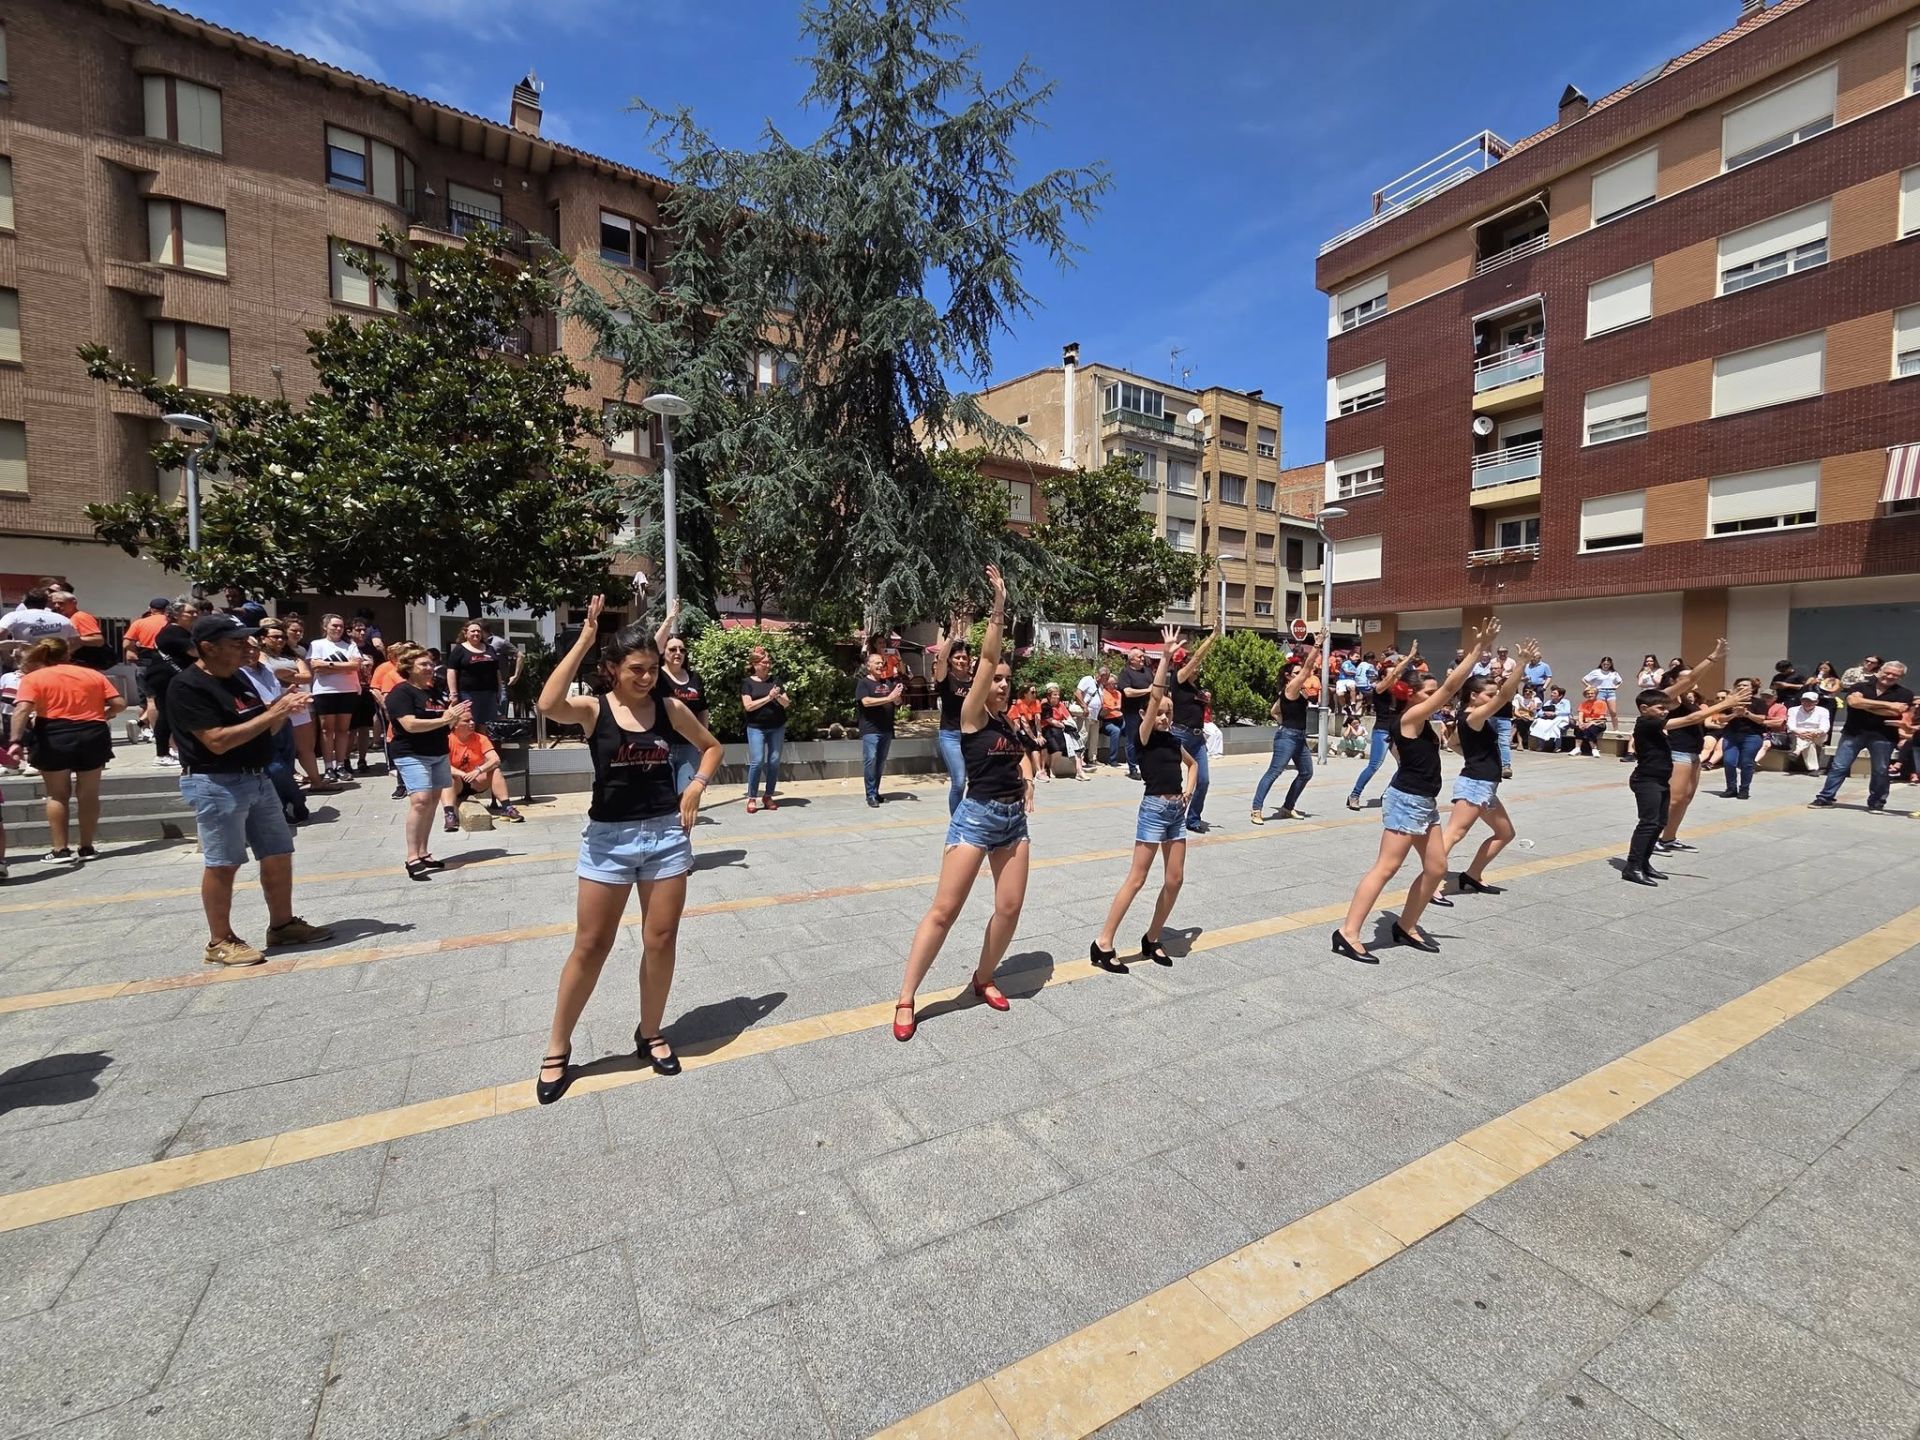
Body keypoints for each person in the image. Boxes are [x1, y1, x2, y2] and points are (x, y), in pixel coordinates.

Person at [533, 596, 724, 1103]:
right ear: (613, 670)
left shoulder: (668, 708)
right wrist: (584, 641)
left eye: (653, 668)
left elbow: (712, 746)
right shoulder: (595, 710)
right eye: (637, 669)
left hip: (665, 836)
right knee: (591, 945)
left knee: (660, 939)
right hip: (608, 840)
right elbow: (547, 706)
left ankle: (651, 1030)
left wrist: (697, 786)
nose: (647, 677)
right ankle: (557, 1045)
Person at [893, 566, 1027, 1042]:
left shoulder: (1008, 724)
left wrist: (1028, 782)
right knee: (944, 911)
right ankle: (908, 995)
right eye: (997, 680)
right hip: (977, 818)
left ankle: (983, 977)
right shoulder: (971, 715)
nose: (1003, 684)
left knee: (1009, 909)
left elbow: (1020, 761)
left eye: (1008, 680)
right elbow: (987, 658)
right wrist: (997, 608)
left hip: (1014, 822)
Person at [166, 614, 333, 966]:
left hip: (257, 778)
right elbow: (217, 741)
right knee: (224, 862)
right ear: (208, 648)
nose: (247, 648)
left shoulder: (240, 678)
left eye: (247, 642)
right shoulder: (188, 686)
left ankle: (283, 925)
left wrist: (281, 711)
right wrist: (275, 713)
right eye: (236, 643)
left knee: (277, 852)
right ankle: (219, 940)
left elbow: (262, 729)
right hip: (217, 781)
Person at [1331, 620, 1497, 963]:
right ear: (1412, 696)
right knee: (1385, 868)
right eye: (1427, 692)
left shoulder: (1418, 722)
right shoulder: (1407, 720)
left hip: (1424, 803)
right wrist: (1478, 651)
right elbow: (1450, 688)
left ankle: (1406, 925)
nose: (1434, 696)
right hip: (1406, 802)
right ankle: (1347, 933)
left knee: (1436, 868)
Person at [1090, 625, 1196, 973]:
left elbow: (1192, 765)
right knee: (1136, 879)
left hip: (1175, 814)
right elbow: (1153, 698)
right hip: (1153, 810)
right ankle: (1103, 942)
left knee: (1175, 879)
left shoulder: (1171, 740)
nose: (1164, 716)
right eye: (1160, 712)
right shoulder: (1145, 735)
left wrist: (1190, 791)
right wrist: (1164, 658)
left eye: (1168, 712)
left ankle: (1152, 938)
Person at [1433, 639, 1537, 903]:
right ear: (1473, 696)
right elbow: (1505, 696)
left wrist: (1476, 757)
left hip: (1486, 786)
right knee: (1453, 834)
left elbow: (1455, 743)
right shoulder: (1474, 716)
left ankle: (1473, 875)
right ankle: (1430, 884)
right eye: (1488, 695)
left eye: (1492, 695)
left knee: (1505, 833)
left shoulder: (1467, 717)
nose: (1493, 699)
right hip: (1475, 785)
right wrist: (1522, 662)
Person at [1622, 681, 1752, 886]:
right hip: (1647, 781)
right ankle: (1632, 867)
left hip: (1660, 780)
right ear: (1644, 709)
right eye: (1660, 708)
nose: (1665, 712)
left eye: (1666, 708)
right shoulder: (1646, 722)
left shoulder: (1655, 723)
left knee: (1659, 823)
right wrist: (1726, 702)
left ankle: (1644, 863)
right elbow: (1693, 718)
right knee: (1648, 823)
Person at [8, 638, 125, 863]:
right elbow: (119, 703)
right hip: (93, 732)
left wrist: (15, 740)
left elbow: (22, 709)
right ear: (67, 653)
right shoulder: (92, 674)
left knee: (57, 794)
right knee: (89, 793)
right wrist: (105, 715)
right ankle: (87, 847)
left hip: (54, 733)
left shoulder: (33, 678)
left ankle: (60, 849)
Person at [385, 650, 471, 878]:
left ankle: (423, 852)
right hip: (411, 753)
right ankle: (412, 857)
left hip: (438, 752)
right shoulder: (400, 693)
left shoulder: (435, 691)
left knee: (433, 801)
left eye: (431, 664)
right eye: (423, 664)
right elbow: (410, 725)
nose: (429, 668)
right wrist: (445, 719)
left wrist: (455, 717)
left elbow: (445, 721)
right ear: (409, 667)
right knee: (420, 800)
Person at [1811, 659, 1912, 813]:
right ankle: (1825, 798)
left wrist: (1865, 704)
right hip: (1854, 732)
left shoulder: (1905, 693)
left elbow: (1895, 712)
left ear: (1900, 677)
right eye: (1887, 672)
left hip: (1883, 736)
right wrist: (1889, 705)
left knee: (1880, 770)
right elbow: (1853, 702)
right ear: (1880, 671)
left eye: (1895, 675)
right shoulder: (1860, 686)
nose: (1890, 676)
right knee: (1839, 766)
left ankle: (1876, 802)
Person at [239, 635, 309, 827]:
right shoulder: (238, 674)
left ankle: (286, 806)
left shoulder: (268, 668)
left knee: (286, 764)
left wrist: (288, 695)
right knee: (276, 768)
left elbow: (275, 694)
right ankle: (298, 799)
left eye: (254, 648)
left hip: (283, 720)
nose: (251, 652)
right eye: (245, 649)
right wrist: (280, 703)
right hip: (262, 722)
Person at [1251, 633, 1320, 823]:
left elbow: (1274, 710)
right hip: (1287, 737)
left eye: (1300, 674)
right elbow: (1307, 669)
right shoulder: (1290, 689)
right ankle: (1256, 809)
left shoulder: (1294, 692)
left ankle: (1288, 807)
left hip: (1298, 737)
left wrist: (1282, 720)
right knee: (1274, 771)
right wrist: (1317, 646)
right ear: (1289, 676)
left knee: (1306, 772)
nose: (1301, 677)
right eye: (1296, 674)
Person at [256, 620, 326, 796]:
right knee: (280, 748)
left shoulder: (293, 656)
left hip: (300, 704)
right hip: (274, 705)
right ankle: (286, 786)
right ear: (263, 639)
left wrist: (284, 675)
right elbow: (272, 675)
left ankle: (316, 782)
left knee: (306, 747)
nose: (280, 640)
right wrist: (293, 675)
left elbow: (307, 677)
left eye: (282, 637)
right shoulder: (259, 656)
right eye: (275, 637)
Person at [1347, 645, 1417, 810]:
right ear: (1384, 676)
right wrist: (1408, 658)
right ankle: (1354, 795)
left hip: (1397, 732)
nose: (1397, 676)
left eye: (1398, 675)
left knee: (1405, 765)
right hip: (1382, 730)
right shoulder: (1379, 689)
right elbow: (1392, 674)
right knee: (1374, 765)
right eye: (1393, 674)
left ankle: (1388, 793)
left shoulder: (1399, 693)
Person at [653, 601, 708, 794]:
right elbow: (652, 648)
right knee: (666, 797)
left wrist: (704, 741)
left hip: (689, 746)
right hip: (663, 744)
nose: (678, 653)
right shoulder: (657, 676)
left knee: (685, 795)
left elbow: (702, 710)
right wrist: (669, 620)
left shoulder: (695, 678)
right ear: (663, 654)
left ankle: (683, 825)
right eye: (673, 649)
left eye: (682, 650)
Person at [1168, 633, 1218, 831]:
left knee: (1203, 781)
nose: (1197, 668)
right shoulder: (1178, 679)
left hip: (1197, 738)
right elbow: (1197, 657)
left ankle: (1193, 818)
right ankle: (1171, 817)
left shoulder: (1193, 686)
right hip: (1180, 735)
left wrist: (1204, 698)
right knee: (1173, 778)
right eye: (1193, 665)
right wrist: (1212, 637)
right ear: (1185, 666)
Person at [305, 614, 363, 783]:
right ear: (325, 627)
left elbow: (355, 666)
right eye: (334, 626)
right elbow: (315, 666)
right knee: (326, 730)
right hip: (324, 691)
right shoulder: (317, 644)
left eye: (341, 626)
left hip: (347, 690)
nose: (338, 629)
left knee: (343, 730)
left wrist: (328, 666)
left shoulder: (350, 645)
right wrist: (342, 667)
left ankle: (340, 765)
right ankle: (328, 766)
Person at [930, 615, 973, 815]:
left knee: (976, 780)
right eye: (957, 657)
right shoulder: (945, 680)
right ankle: (956, 819)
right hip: (950, 735)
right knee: (958, 781)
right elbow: (939, 660)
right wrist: (952, 636)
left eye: (964, 657)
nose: (961, 660)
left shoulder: (974, 681)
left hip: (972, 735)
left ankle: (972, 815)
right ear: (951, 660)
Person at [448, 712, 526, 821]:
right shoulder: (447, 740)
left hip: (477, 781)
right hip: (457, 783)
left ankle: (507, 807)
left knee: (496, 771)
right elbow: (444, 766)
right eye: (466, 721)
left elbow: (495, 759)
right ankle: (449, 815)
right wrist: (463, 774)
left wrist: (479, 770)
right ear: (455, 725)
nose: (472, 723)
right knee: (447, 777)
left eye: (472, 719)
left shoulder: (481, 738)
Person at [740, 645, 787, 813]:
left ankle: (768, 795)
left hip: (777, 726)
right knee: (757, 760)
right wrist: (769, 697)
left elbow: (786, 703)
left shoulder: (776, 681)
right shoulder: (747, 683)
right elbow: (749, 706)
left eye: (769, 662)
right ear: (754, 664)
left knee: (774, 761)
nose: (767, 665)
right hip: (756, 727)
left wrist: (779, 696)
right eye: (764, 662)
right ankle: (752, 797)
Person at [856, 648, 903, 806]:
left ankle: (875, 791)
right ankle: (870, 794)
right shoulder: (863, 683)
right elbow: (866, 702)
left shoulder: (887, 683)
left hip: (886, 729)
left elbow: (896, 702)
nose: (880, 665)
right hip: (870, 729)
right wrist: (888, 698)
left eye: (881, 663)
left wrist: (896, 697)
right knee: (871, 760)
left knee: (880, 762)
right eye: (876, 663)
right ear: (868, 666)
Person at [1718, 679, 1780, 799]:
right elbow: (1721, 719)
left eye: (1745, 685)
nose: (1741, 687)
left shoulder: (1759, 702)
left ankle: (1744, 789)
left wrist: (1746, 713)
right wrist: (1734, 714)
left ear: (1752, 688)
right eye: (1739, 685)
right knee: (1729, 762)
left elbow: (1761, 719)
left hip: (1751, 736)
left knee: (1747, 763)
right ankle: (1731, 788)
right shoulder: (1729, 702)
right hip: (1731, 735)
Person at [448, 620, 504, 730]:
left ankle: (486, 746)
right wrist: (453, 693)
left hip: (489, 693)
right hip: (468, 694)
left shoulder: (489, 648)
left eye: (478, 631)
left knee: (488, 725)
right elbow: (451, 671)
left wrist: (499, 690)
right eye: (473, 631)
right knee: (470, 723)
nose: (476, 634)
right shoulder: (459, 649)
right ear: (465, 634)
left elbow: (496, 671)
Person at [0, 587, 78, 662]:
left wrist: (7, 657)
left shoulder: (14, 616)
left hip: (26, 662)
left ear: (24, 602)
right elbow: (76, 641)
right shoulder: (63, 619)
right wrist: (62, 656)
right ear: (46, 603)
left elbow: (1, 633)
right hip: (54, 663)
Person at [47, 588, 112, 671]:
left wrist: (74, 639)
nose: (56, 606)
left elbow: (98, 640)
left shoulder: (80, 617)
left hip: (85, 664)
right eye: (54, 603)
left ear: (73, 603)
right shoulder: (64, 618)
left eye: (61, 603)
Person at [1117, 647, 1154, 779]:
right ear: (1131, 660)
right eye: (1139, 657)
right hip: (1132, 712)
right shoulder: (1125, 673)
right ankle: (1133, 768)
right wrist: (1147, 690)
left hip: (1148, 711)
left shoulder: (1148, 672)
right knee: (1133, 740)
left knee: (1149, 739)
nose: (1142, 659)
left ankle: (1147, 765)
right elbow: (1128, 692)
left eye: (1143, 656)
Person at [1785, 691, 1831, 773]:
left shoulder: (1823, 711)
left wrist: (1816, 732)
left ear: (1816, 702)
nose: (1807, 703)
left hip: (1817, 734)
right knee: (1810, 742)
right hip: (1798, 733)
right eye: (1804, 700)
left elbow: (1825, 726)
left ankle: (1797, 751)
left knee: (1811, 737)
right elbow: (1791, 725)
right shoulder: (1793, 710)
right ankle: (1814, 769)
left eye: (1810, 701)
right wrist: (1800, 733)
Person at [1584, 656, 1625, 731]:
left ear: (1610, 664)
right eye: (1604, 664)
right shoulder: (1596, 671)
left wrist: (1616, 686)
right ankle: (1599, 727)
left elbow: (1620, 681)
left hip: (1611, 692)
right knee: (1600, 711)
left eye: (1608, 664)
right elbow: (1584, 679)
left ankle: (1616, 729)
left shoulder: (1613, 673)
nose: (1606, 666)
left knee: (1613, 711)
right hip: (1600, 691)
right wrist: (1590, 686)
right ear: (1601, 664)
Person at [1075, 667, 1104, 767]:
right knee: (1083, 736)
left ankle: (1093, 758)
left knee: (1094, 739)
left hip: (1095, 716)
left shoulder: (1100, 686)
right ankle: (1080, 759)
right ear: (1100, 675)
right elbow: (1078, 693)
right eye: (1106, 678)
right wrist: (1084, 706)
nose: (1106, 680)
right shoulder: (1088, 679)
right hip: (1086, 714)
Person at [1570, 685, 1609, 756]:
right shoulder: (1583, 704)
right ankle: (1577, 748)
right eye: (1588, 694)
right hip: (1586, 722)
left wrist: (1591, 722)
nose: (1590, 695)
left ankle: (1594, 749)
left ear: (1595, 694)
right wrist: (1581, 723)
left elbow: (1602, 718)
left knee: (1590, 729)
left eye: (1592, 693)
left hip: (1598, 723)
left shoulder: (1601, 703)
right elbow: (1580, 715)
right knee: (1578, 728)